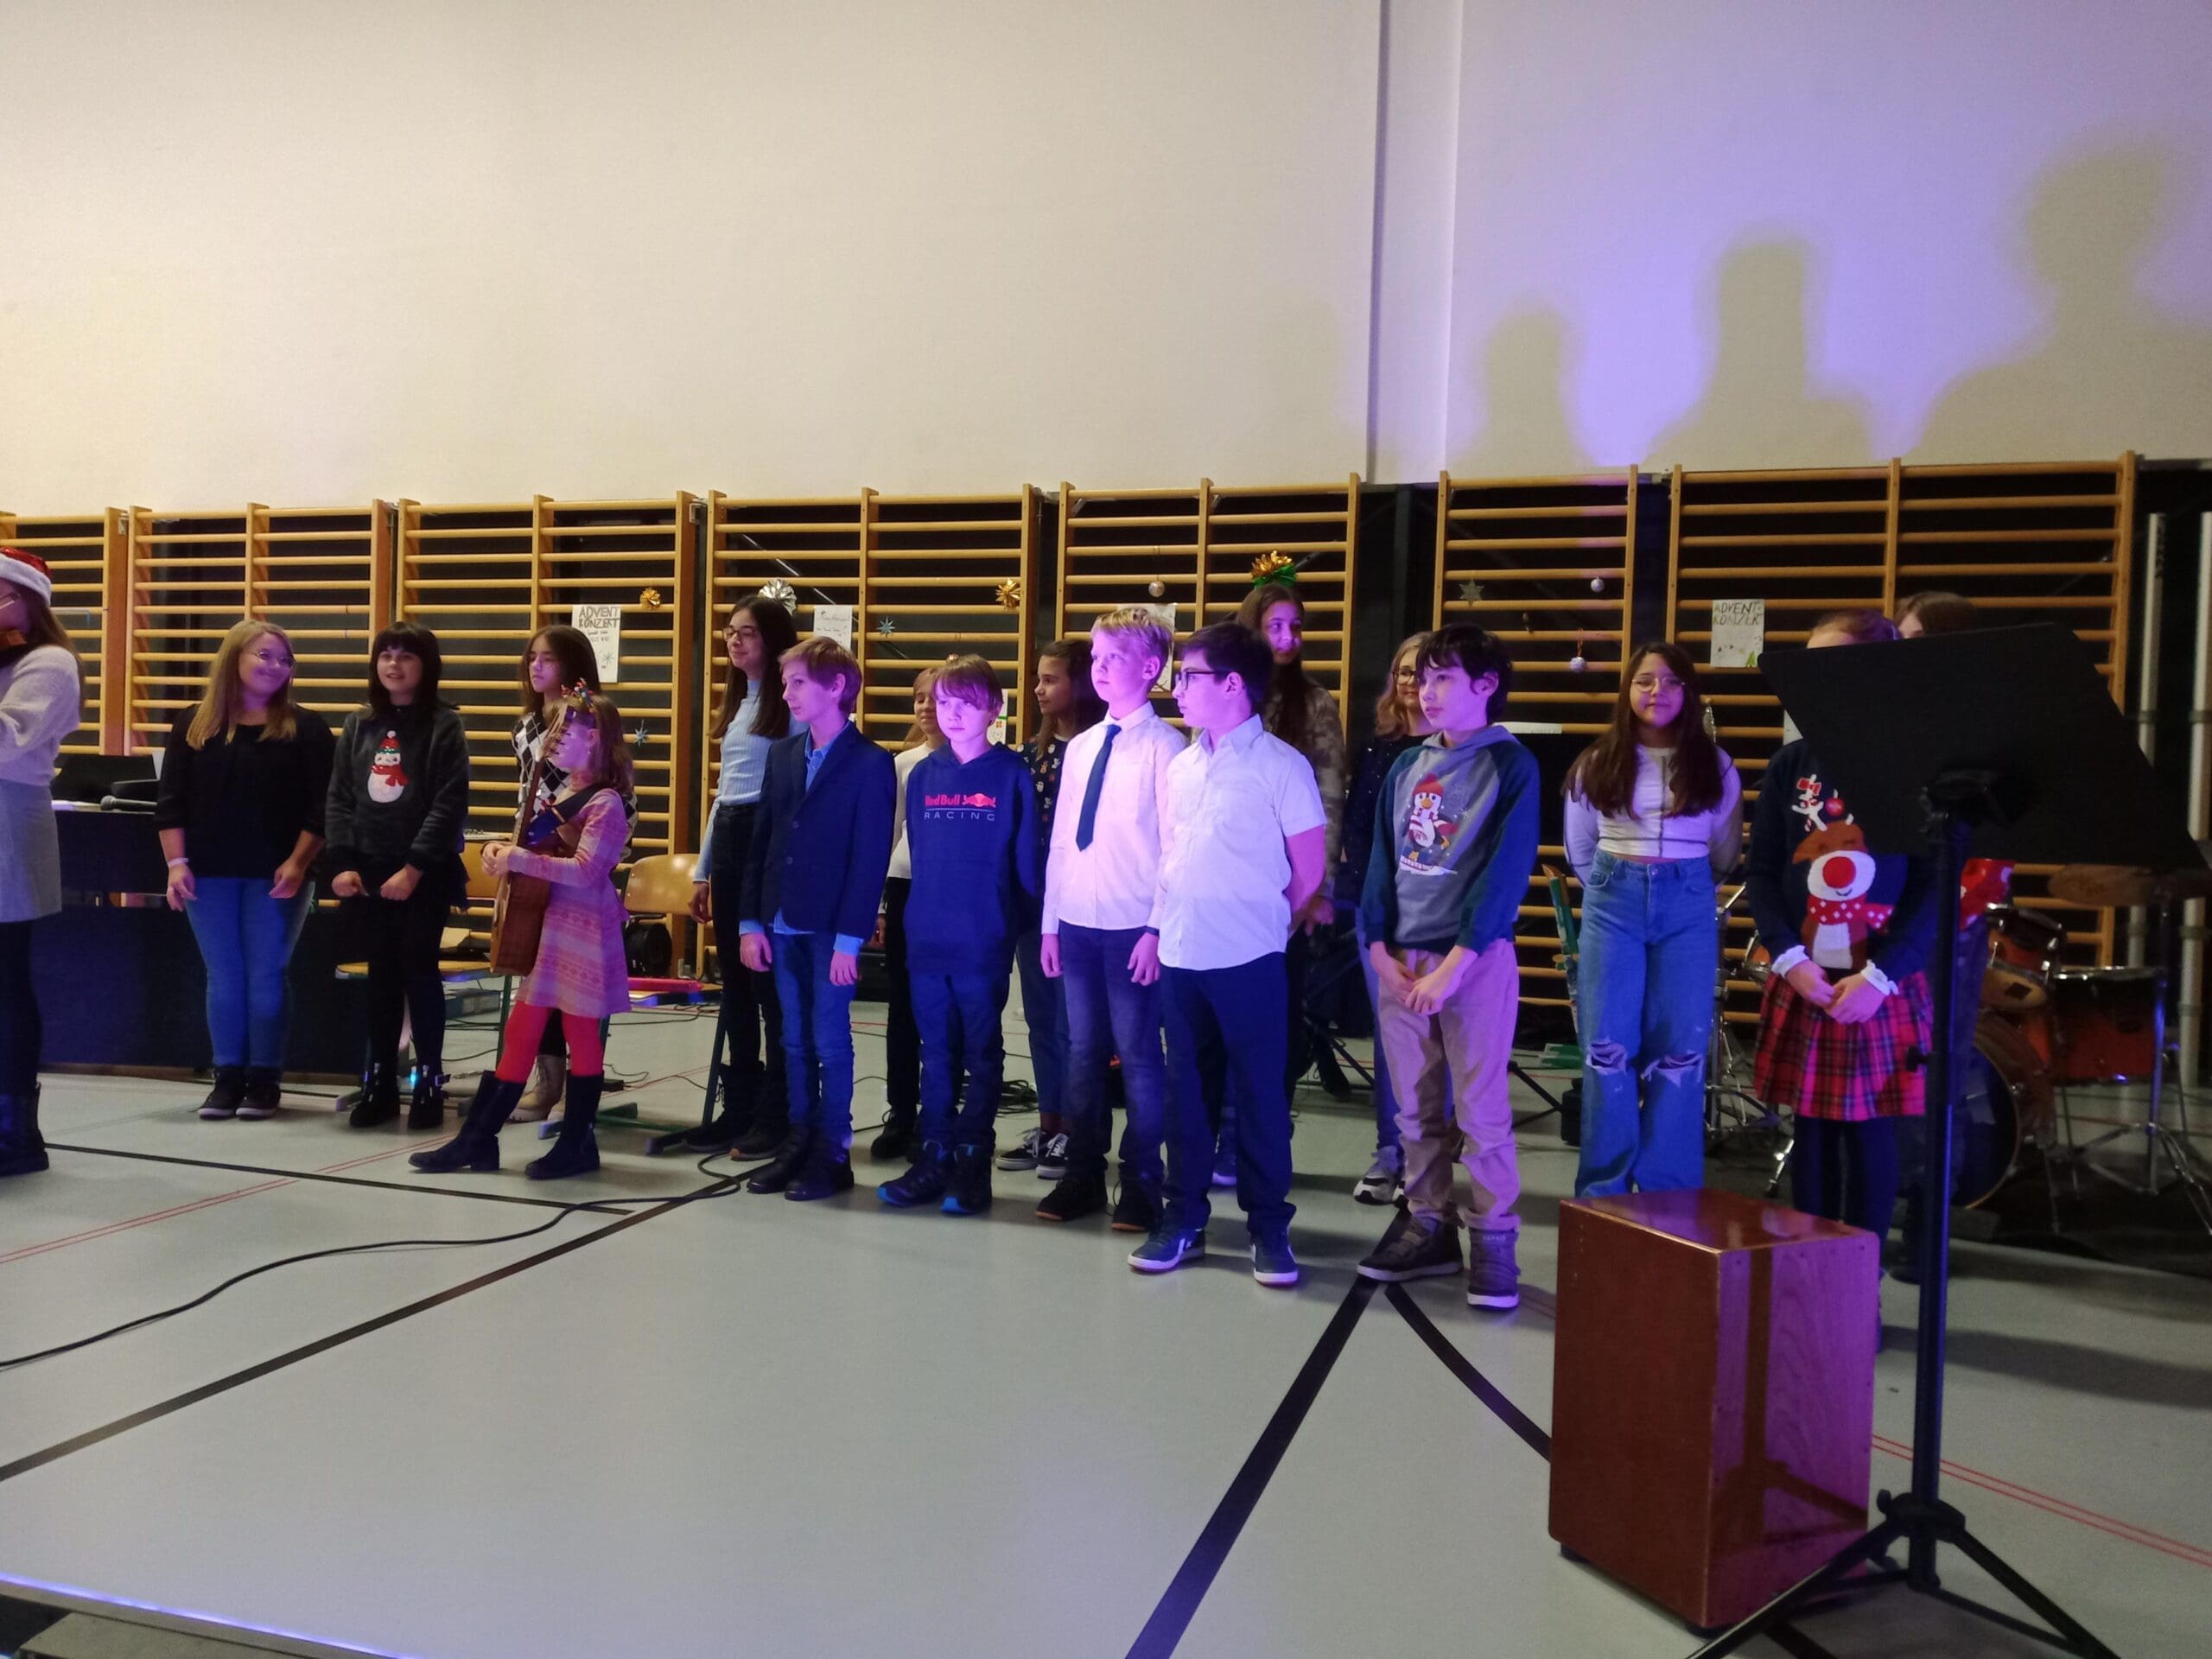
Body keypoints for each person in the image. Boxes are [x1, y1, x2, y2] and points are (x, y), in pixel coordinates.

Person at [1127, 621, 1325, 1285]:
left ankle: (1269, 1227)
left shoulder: (1282, 767)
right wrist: (1160, 928)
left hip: (1249, 960)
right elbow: (1171, 860)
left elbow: (1308, 871)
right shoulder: (1182, 767)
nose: (1177, 688)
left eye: (1190, 676)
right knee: (1186, 1096)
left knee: (1260, 1097)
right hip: (1184, 956)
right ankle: (1182, 1219)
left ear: (1233, 684)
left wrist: (1260, 925)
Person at [1353, 622, 1541, 1311]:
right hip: (1402, 960)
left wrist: (1454, 966)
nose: (1426, 692)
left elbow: (1504, 875)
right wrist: (1377, 946)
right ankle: (1428, 1224)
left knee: (1481, 1108)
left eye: (1443, 679)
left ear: (1485, 686)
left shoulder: (1511, 765)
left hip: (1472, 961)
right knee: (1414, 1106)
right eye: (1422, 679)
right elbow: (1381, 860)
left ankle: (1494, 1237)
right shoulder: (1409, 764)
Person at [1745, 609, 1936, 1261]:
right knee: (1814, 1132)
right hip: (1807, 976)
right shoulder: (1790, 764)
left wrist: (1881, 976)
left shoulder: (1915, 765)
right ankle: (1812, 1271)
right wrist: (1788, 958)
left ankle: (1860, 1281)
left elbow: (1935, 885)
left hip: (1877, 982)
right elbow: (1763, 873)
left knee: (1869, 1133)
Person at [411, 690, 636, 1179]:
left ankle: (577, 1143)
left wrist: (521, 859)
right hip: (551, 929)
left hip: (583, 931)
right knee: (522, 1030)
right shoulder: (561, 796)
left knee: (581, 1034)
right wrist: (501, 851)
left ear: (593, 738)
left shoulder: (606, 804)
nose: (553, 740)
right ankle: (478, 1138)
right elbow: (539, 854)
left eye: (565, 731)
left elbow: (587, 872)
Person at [1561, 642, 1743, 1196]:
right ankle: (1605, 1188)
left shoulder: (1717, 765)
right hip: (1612, 901)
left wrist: (1684, 887)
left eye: (1669, 682)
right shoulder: (1597, 762)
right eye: (1644, 681)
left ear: (1688, 692)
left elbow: (1725, 851)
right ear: (1627, 691)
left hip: (1688, 903)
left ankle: (1669, 1190)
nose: (1656, 692)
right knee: (1605, 1046)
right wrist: (1616, 885)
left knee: (1681, 1050)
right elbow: (1580, 847)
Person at [1037, 607, 1184, 1229]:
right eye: (1095, 658)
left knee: (1139, 1055)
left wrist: (1156, 928)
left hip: (1132, 926)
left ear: (1150, 668)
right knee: (1081, 1052)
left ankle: (1143, 1181)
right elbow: (1062, 840)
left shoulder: (1166, 748)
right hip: (1076, 921)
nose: (1098, 669)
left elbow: (1175, 849)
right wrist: (1051, 921)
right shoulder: (1081, 747)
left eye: (1113, 658)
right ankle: (1083, 1173)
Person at [878, 655, 1040, 1214]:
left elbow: (1027, 865)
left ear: (993, 708)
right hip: (927, 936)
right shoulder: (923, 774)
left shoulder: (1012, 773)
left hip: (983, 939)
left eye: (965, 703)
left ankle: (973, 1159)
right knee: (935, 1052)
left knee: (982, 1051)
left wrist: (1013, 927)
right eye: (943, 702)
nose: (951, 713)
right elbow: (920, 857)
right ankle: (934, 1156)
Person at [736, 635, 896, 1200]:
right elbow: (762, 843)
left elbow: (869, 858)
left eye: (798, 682)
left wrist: (851, 939)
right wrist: (751, 922)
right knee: (793, 1039)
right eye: (786, 683)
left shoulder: (871, 763)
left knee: (829, 1039)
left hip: (832, 928)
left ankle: (833, 1150)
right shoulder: (783, 754)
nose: (787, 693)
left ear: (837, 687)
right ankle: (798, 1139)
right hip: (782, 921)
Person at [157, 620, 336, 1121]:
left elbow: (323, 807)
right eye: (265, 655)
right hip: (208, 872)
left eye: (285, 659)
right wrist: (176, 864)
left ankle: (264, 1077)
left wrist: (298, 863)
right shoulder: (194, 725)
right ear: (234, 657)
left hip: (276, 874)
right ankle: (227, 1075)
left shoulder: (306, 728)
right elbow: (170, 802)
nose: (276, 666)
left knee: (266, 973)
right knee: (224, 975)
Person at [1892, 589, 2000, 1283]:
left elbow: (1993, 846)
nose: (1899, 654)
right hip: (1893, 915)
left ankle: (1929, 1226)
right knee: (1891, 1068)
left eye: (1912, 641)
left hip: (1951, 920)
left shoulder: (1981, 722)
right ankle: (1885, 1203)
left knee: (1939, 1072)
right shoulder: (1894, 718)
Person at [324, 622, 470, 1132]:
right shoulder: (358, 724)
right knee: (381, 978)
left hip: (422, 875)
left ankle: (428, 1080)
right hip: (368, 873)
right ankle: (380, 1082)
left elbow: (448, 804)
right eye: (386, 655)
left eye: (406, 656)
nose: (394, 664)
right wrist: (342, 862)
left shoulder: (444, 726)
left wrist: (413, 869)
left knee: (419, 972)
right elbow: (341, 798)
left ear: (426, 666)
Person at [1232, 573, 1347, 1185]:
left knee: (1275, 1021)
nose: (1286, 637)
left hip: (1287, 890)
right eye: (1274, 626)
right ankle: (1227, 1134)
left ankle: (1265, 1137)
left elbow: (1330, 799)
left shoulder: (1317, 703)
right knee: (1224, 1022)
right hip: (1229, 885)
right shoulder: (1228, 694)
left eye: (1295, 627)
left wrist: (1315, 888)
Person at [683, 593, 798, 1154]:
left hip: (766, 836)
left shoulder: (791, 707)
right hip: (731, 836)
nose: (734, 639)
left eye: (746, 632)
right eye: (730, 631)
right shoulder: (735, 707)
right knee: (732, 981)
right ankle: (740, 1106)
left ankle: (780, 1111)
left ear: (772, 641)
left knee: (766, 981)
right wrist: (703, 871)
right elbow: (723, 796)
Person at [1002, 639, 1104, 1178]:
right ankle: (1048, 1125)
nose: (1038, 689)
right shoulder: (1030, 755)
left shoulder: (1099, 750)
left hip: (1080, 907)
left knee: (1073, 1024)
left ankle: (1077, 1132)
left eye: (1051, 680)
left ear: (1079, 684)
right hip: (1033, 905)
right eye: (1038, 679)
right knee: (1041, 1019)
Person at [1337, 632, 1431, 1203]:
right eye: (1403, 671)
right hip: (1379, 910)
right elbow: (1357, 832)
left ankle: (1425, 1161)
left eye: (1422, 671)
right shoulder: (1377, 750)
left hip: (1434, 915)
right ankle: (1389, 1152)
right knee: (1391, 1037)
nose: (1411, 682)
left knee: (1434, 1040)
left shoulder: (1457, 753)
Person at [0, 548, 81, 1179]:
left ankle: (15, 1131)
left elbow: (8, 739)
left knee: (5, 982)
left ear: (23, 599)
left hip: (9, 821)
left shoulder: (49, 661)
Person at [507, 624, 609, 1122]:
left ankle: (580, 1083)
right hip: (534, 857)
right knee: (536, 972)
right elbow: (526, 790)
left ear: (572, 665)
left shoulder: (589, 720)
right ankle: (546, 1078)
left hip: (576, 854)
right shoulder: (526, 726)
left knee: (574, 983)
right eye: (532, 657)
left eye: (547, 658)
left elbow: (607, 790)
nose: (537, 666)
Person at [872, 666, 944, 1163]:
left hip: (949, 893)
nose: (925, 707)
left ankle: (940, 1114)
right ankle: (901, 1111)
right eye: (919, 698)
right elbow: (891, 831)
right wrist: (880, 905)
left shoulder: (974, 762)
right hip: (904, 886)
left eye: (934, 699)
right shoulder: (903, 764)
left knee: (942, 1008)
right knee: (903, 1006)